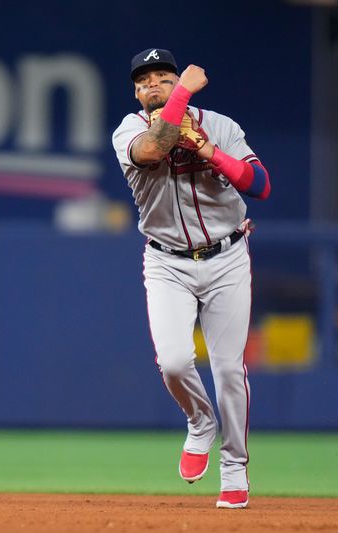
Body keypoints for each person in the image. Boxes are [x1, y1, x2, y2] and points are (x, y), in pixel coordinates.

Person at [112, 48, 270, 509]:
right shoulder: (130, 130)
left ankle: (234, 467)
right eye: (144, 81)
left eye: (163, 77)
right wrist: (182, 94)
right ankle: (200, 422)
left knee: (227, 370)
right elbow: (154, 148)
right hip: (167, 263)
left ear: (176, 79)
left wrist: (208, 150)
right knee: (176, 362)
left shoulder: (220, 125)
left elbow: (259, 186)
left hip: (226, 257)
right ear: (137, 94)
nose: (152, 85)